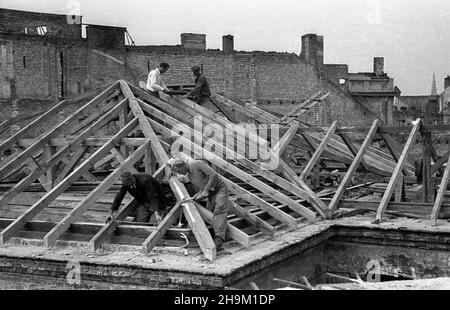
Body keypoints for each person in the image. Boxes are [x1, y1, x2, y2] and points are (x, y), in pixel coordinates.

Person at [170, 157, 230, 249]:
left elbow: (213, 175)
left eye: (179, 171)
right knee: (209, 213)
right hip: (211, 194)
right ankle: (212, 234)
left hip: (220, 189)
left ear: (183, 165)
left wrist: (205, 190)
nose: (179, 173)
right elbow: (202, 185)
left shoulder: (197, 164)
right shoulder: (189, 176)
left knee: (220, 209)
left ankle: (219, 239)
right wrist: (199, 194)